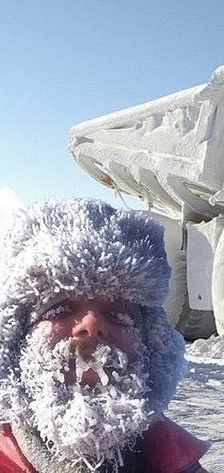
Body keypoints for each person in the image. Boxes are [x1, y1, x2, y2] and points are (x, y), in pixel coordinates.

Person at [0, 199, 210, 472]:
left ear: (150, 344)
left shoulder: (179, 461)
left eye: (118, 313)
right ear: (16, 340)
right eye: (60, 308)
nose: (92, 324)